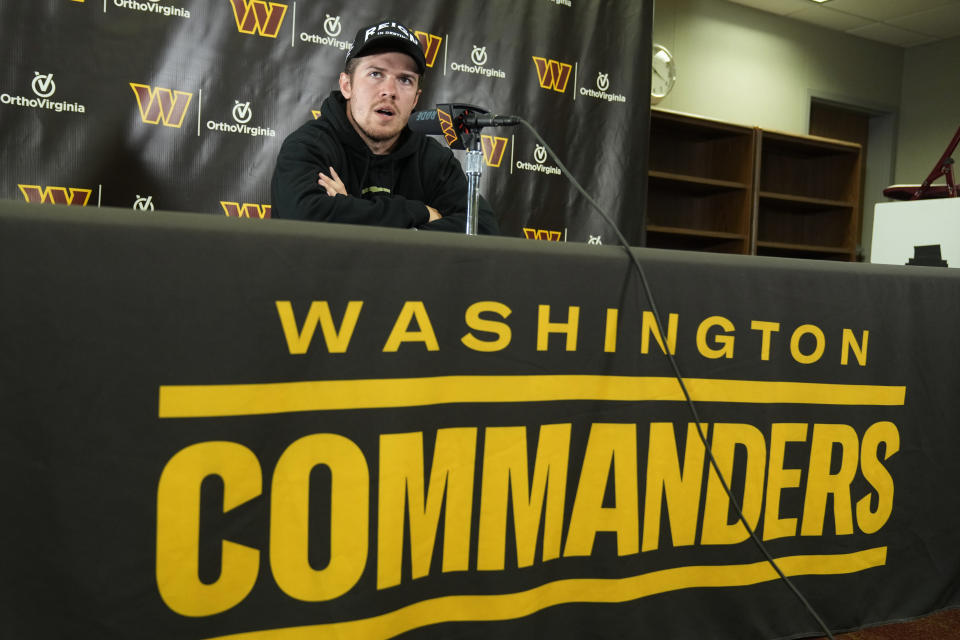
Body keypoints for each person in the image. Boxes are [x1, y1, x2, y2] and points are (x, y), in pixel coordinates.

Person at [271, 20, 499, 234]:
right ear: (346, 85)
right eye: (375, 74)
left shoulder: (435, 161)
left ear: (415, 99)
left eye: (405, 79)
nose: (389, 90)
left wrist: (349, 209)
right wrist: (421, 212)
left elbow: (482, 228)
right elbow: (307, 218)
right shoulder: (308, 146)